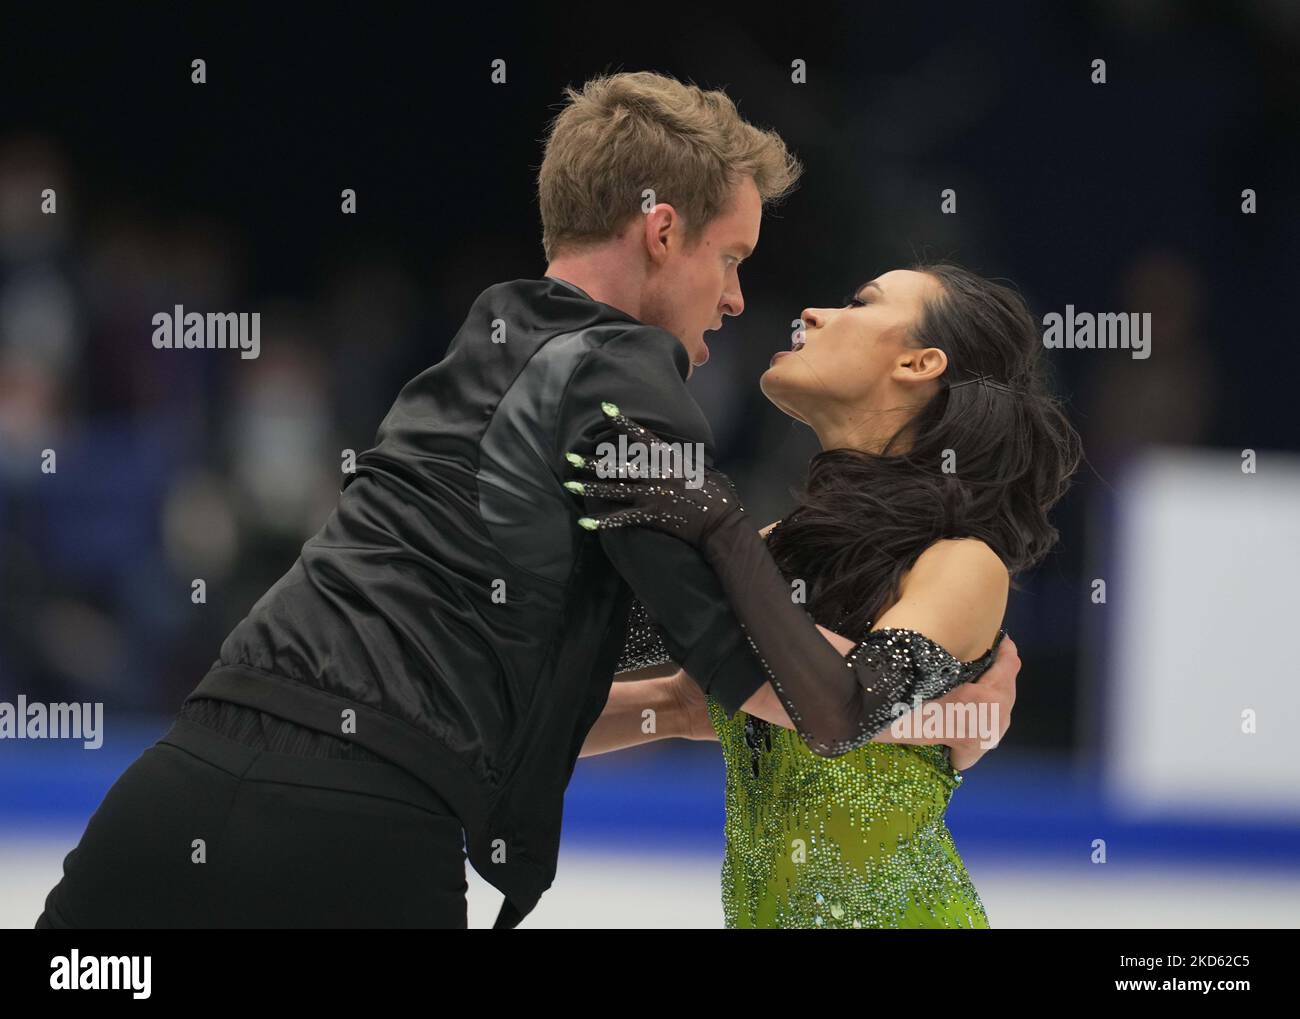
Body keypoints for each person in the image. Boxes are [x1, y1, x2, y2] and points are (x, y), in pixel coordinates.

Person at [35, 71, 1020, 930]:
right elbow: (822, 700)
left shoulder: (487, 342)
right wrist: (945, 712)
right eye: (731, 257)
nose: (737, 298)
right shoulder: (627, 376)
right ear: (661, 231)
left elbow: (622, 675)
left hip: (178, 783)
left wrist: (932, 713)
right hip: (358, 826)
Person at [571, 263, 1081, 927]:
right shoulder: (777, 548)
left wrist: (715, 533)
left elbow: (841, 711)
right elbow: (656, 686)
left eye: (858, 302)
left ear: (919, 362)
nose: (814, 314)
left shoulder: (962, 563)